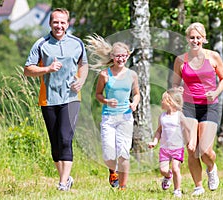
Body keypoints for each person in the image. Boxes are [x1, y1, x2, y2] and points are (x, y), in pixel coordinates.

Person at [24, 8, 89, 191]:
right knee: (55, 143)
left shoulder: (77, 43)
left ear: (67, 24)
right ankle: (66, 178)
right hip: (49, 98)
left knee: (65, 138)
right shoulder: (41, 44)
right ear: (50, 23)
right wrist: (47, 69)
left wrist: (81, 81)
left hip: (71, 98)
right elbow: (28, 69)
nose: (59, 26)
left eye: (62, 22)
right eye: (55, 22)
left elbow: (84, 65)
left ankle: (62, 183)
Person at [172, 22, 223, 196]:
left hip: (209, 106)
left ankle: (211, 167)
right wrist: (177, 89)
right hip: (188, 106)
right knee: (191, 147)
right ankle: (198, 186)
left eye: (198, 37)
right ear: (187, 39)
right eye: (192, 37)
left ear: (204, 39)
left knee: (204, 150)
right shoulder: (181, 60)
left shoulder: (213, 57)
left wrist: (216, 92)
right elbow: (174, 83)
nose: (195, 40)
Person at [86, 34, 140, 191]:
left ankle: (123, 187)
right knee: (109, 154)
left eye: (124, 56)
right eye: (118, 56)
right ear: (112, 56)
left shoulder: (132, 75)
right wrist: (106, 101)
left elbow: (136, 93)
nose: (121, 59)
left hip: (125, 117)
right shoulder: (104, 74)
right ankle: (112, 171)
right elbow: (98, 94)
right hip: (109, 117)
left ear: (128, 56)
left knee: (123, 153)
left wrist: (134, 103)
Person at [148, 88, 190, 198]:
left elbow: (187, 128)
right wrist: (154, 142)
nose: (161, 102)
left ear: (170, 102)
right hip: (164, 149)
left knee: (176, 168)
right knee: (163, 170)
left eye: (163, 100)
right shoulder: (162, 117)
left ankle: (177, 190)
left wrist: (189, 141)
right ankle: (168, 176)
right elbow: (159, 131)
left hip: (177, 148)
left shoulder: (179, 115)